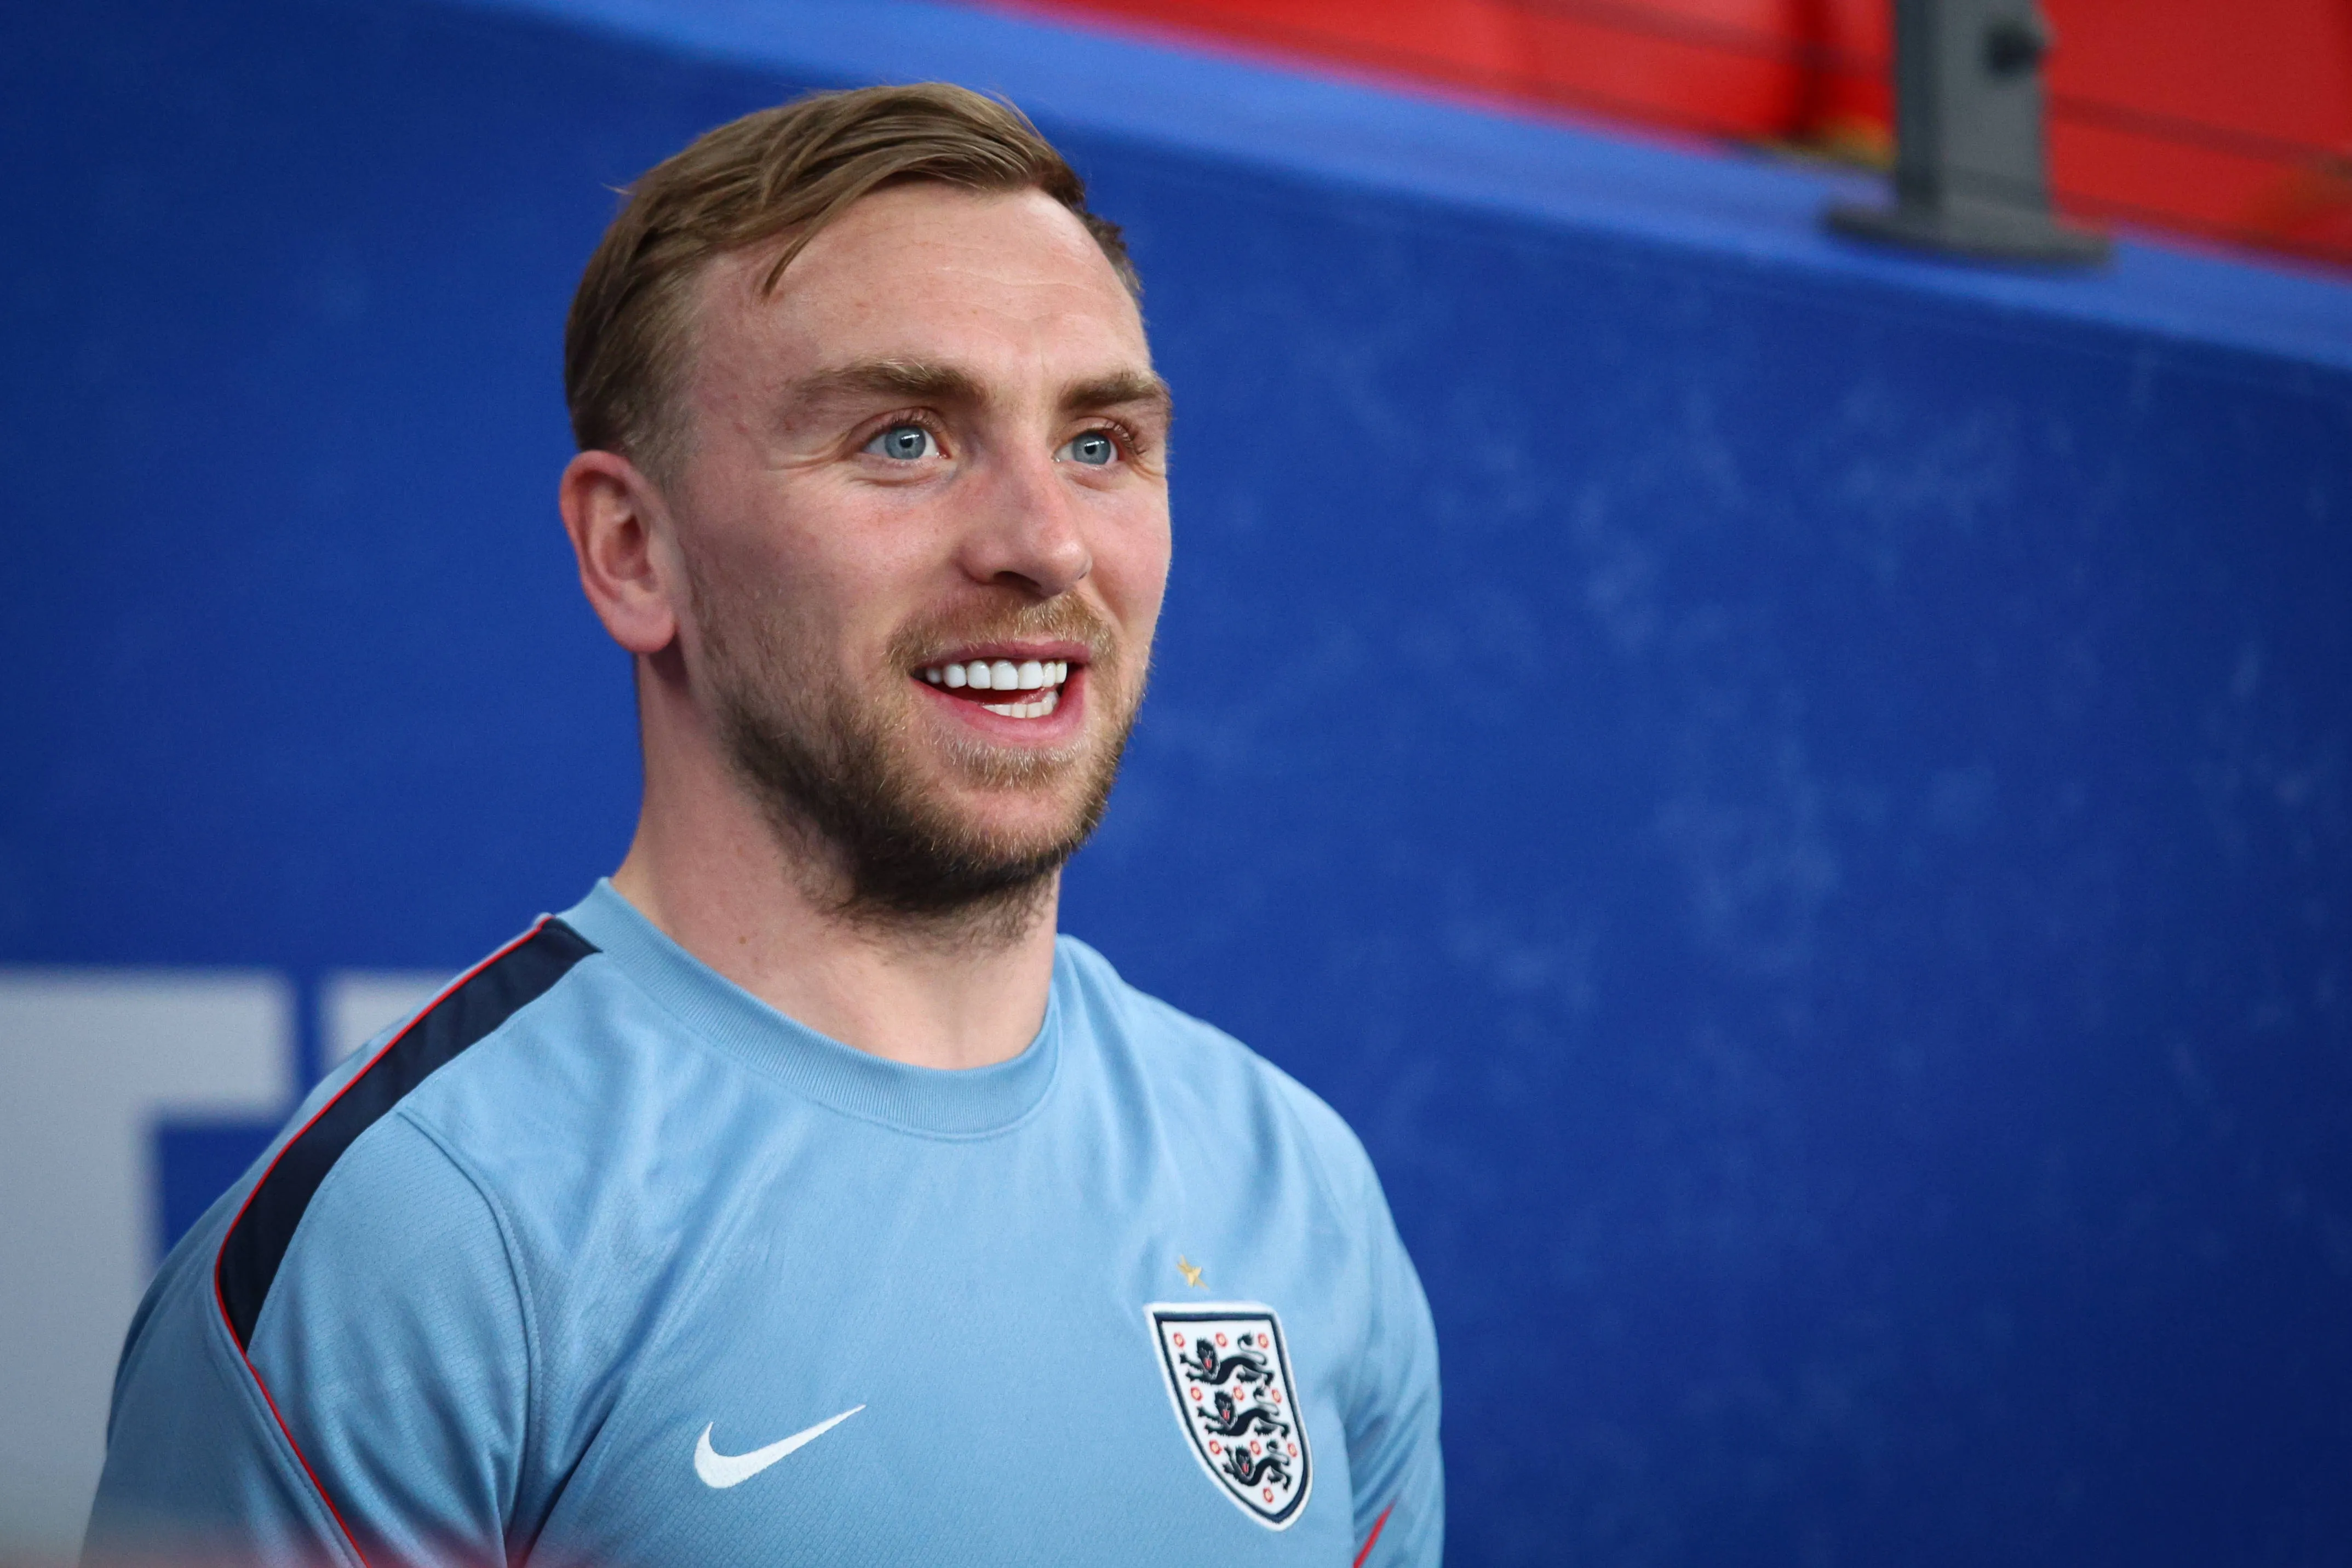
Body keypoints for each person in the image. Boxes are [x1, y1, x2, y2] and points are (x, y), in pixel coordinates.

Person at [84, 84, 1441, 1567]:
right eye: (904, 439)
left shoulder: (1295, 1190)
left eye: (1100, 442)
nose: (1045, 542)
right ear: (631, 550)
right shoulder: (416, 1245)